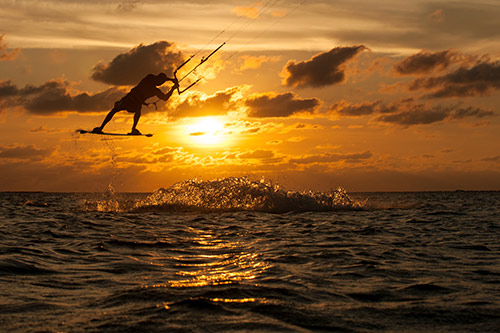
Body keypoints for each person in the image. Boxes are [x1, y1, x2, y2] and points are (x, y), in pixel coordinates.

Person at [92, 73, 179, 135]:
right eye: (159, 81)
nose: (160, 84)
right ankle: (101, 128)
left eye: (161, 83)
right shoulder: (150, 78)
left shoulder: (156, 90)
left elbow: (165, 98)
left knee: (137, 111)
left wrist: (173, 87)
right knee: (115, 109)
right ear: (157, 78)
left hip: (135, 102)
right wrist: (171, 81)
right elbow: (163, 84)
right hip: (130, 98)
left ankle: (133, 129)